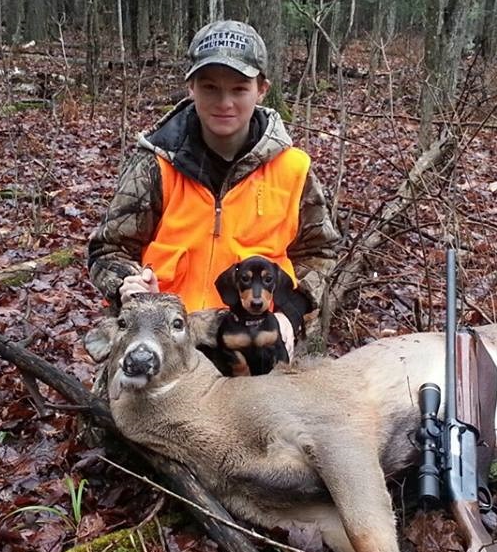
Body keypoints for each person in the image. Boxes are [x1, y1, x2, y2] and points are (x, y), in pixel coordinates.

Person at [87, 19, 340, 354]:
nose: (224, 103)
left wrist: (290, 314)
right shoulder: (156, 163)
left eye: (239, 89)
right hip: (165, 339)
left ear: (262, 89)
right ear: (191, 87)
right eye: (210, 88)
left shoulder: (293, 168)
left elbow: (319, 254)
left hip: (254, 338)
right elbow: (108, 249)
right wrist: (126, 284)